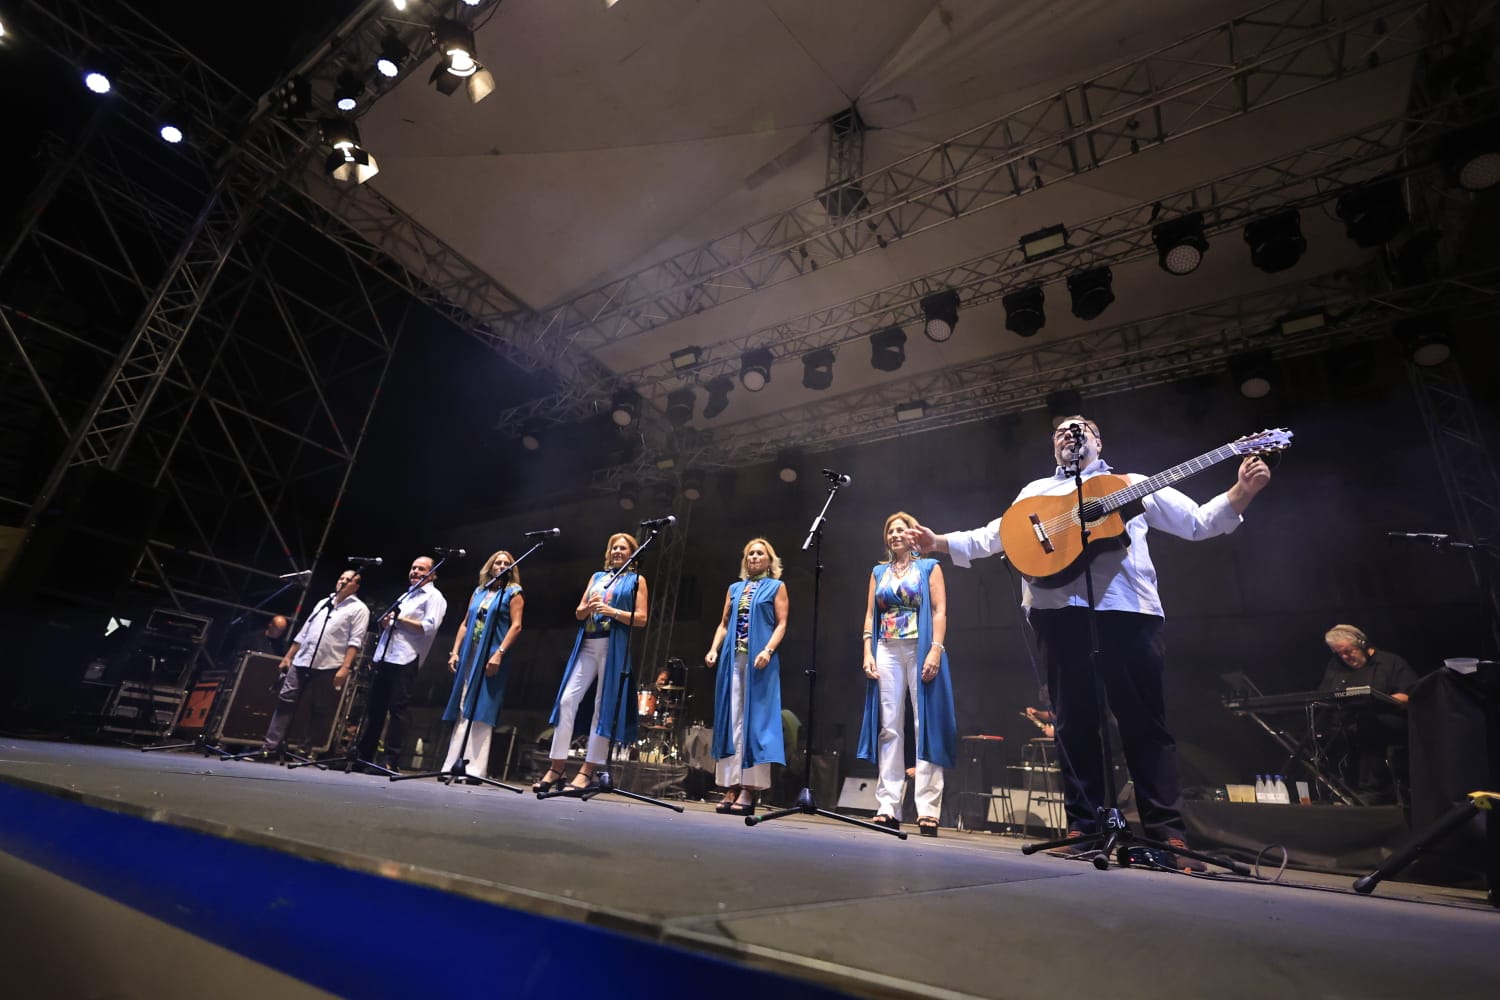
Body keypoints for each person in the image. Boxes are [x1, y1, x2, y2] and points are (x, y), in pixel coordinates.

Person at [908, 416, 1271, 864]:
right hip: (1058, 615)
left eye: (1079, 429)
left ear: (1098, 441)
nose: (1068, 434)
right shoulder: (1036, 492)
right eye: (1060, 431)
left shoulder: (1130, 483)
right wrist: (939, 541)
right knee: (1075, 724)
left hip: (1128, 613)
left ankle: (1165, 834)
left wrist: (1242, 491)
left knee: (1145, 726)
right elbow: (996, 535)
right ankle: (1085, 827)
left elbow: (1196, 523)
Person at [857, 512, 958, 836]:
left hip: (919, 646)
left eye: (901, 529)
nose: (895, 534)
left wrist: (936, 649)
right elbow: (871, 615)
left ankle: (928, 809)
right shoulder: (878, 572)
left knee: (923, 724)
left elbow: (940, 610)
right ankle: (888, 806)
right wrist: (867, 652)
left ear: (913, 535)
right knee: (889, 727)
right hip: (886, 648)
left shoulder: (929, 567)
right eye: (890, 530)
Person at [536, 533, 649, 793]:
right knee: (567, 700)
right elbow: (579, 611)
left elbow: (641, 618)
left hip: (612, 645)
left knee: (602, 706)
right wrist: (590, 608)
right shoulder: (597, 577)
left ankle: (589, 769)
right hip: (588, 642)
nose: (617, 551)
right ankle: (557, 765)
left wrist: (613, 612)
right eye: (613, 548)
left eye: (623, 548)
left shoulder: (636, 580)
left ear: (632, 553)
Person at [704, 538, 789, 816]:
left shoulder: (776, 587)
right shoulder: (734, 588)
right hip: (732, 658)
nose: (754, 557)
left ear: (769, 559)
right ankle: (730, 784)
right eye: (750, 553)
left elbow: (782, 623)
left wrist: (768, 649)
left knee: (756, 722)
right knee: (732, 720)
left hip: (759, 661)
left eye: (759, 553)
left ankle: (749, 788)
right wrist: (714, 649)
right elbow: (724, 624)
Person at [258, 569, 370, 758]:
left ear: (356, 586)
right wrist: (289, 655)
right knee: (285, 700)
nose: (342, 581)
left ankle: (305, 750)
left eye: (348, 580)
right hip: (303, 658)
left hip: (330, 663)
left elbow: (355, 641)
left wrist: (345, 667)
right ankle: (270, 747)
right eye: (341, 578)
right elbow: (306, 630)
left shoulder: (359, 609)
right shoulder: (323, 602)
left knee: (319, 707)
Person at [354, 556, 447, 773]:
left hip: (407, 657)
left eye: (421, 569)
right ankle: (363, 756)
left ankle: (390, 760)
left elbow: (428, 627)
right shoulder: (407, 594)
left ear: (432, 574)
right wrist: (387, 622)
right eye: (413, 567)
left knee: (398, 710)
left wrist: (398, 620)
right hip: (386, 655)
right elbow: (392, 621)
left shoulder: (434, 597)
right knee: (375, 709)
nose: (414, 571)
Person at [439, 550, 524, 782]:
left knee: (482, 708)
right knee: (463, 705)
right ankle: (451, 764)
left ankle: (474, 769)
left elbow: (516, 626)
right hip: (470, 653)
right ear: (490, 566)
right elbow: (466, 624)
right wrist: (454, 652)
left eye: (507, 563)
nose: (502, 565)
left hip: (492, 654)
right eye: (498, 562)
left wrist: (499, 654)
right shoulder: (480, 591)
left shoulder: (514, 592)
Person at [1319, 624, 1419, 803]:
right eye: (1339, 653)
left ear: (1362, 644)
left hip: (1386, 726)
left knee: (1368, 726)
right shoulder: (1336, 667)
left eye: (1348, 651)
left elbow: (1409, 695)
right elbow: (1325, 696)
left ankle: (1373, 791)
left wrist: (1379, 700)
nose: (1345, 657)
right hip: (1346, 728)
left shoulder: (1390, 663)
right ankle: (1339, 791)